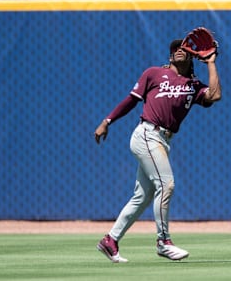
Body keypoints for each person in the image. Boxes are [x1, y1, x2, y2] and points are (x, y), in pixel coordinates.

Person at [93, 38, 221, 263]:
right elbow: (130, 101)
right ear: (170, 55)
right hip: (146, 134)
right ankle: (163, 241)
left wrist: (211, 62)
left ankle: (110, 240)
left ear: (192, 56)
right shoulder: (153, 74)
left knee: (142, 196)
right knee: (166, 184)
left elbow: (215, 95)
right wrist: (107, 120)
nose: (179, 51)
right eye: (175, 49)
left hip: (163, 141)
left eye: (184, 49)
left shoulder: (193, 85)